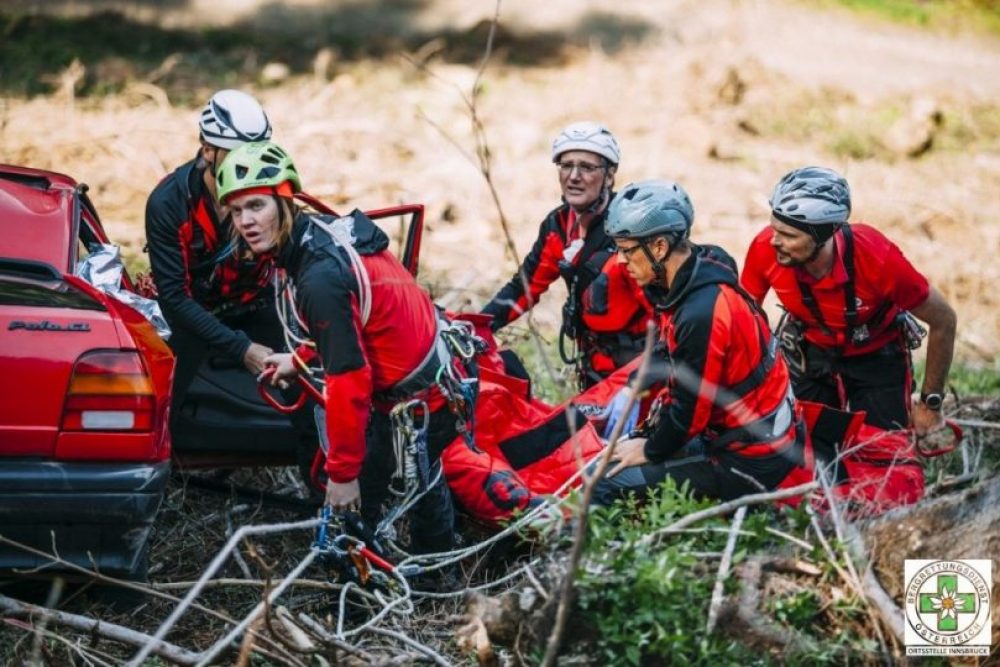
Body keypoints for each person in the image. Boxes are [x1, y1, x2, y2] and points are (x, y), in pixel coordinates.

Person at [216, 141, 466, 553]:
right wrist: (299, 360)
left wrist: (343, 473)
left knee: (358, 498)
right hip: (431, 374)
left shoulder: (317, 278)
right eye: (237, 210)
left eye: (257, 206)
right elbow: (354, 323)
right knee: (423, 474)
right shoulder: (317, 234)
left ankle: (400, 586)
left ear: (285, 200)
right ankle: (439, 571)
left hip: (419, 397)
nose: (246, 221)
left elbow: (349, 378)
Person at [592, 180, 803, 505]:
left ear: (659, 247)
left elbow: (689, 415)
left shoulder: (701, 313)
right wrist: (635, 388)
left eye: (627, 249)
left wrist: (649, 448)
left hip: (751, 458)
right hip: (756, 431)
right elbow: (672, 354)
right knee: (618, 452)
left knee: (604, 481)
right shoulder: (703, 266)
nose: (621, 261)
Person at [740, 166, 956, 435]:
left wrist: (930, 403)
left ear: (823, 235)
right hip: (809, 351)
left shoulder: (878, 259)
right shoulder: (764, 249)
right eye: (775, 229)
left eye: (789, 235)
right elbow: (742, 321)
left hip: (877, 354)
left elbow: (944, 320)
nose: (774, 241)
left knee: (883, 448)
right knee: (804, 444)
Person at [481, 121, 650, 388]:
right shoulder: (557, 227)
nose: (573, 176)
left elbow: (664, 313)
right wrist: (476, 328)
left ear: (609, 175)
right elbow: (523, 289)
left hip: (636, 375)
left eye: (587, 167)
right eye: (566, 165)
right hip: (592, 369)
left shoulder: (629, 231)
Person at [144, 89, 279, 419]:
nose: (248, 165)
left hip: (253, 300)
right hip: (190, 311)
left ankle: (319, 465)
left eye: (256, 152)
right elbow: (175, 297)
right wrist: (241, 349)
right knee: (163, 397)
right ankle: (172, 466)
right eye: (235, 154)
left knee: (311, 373)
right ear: (207, 150)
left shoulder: (271, 187)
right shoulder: (169, 202)